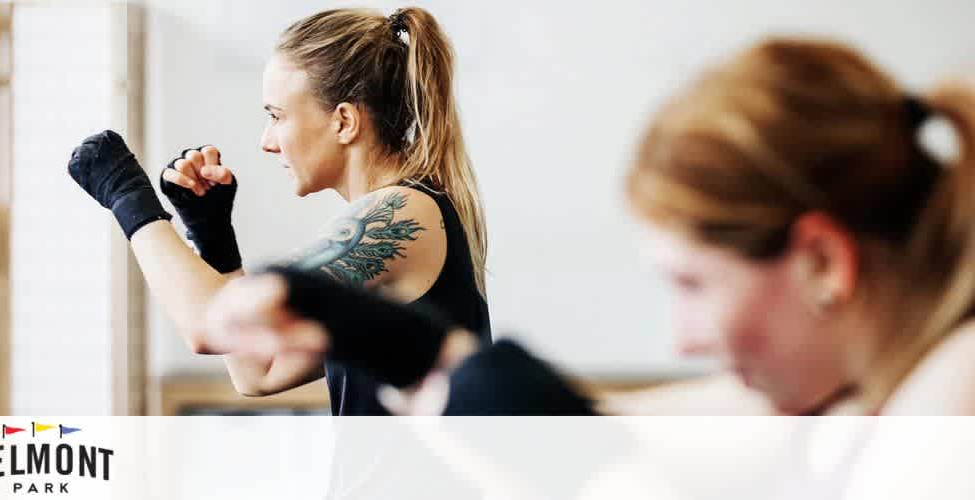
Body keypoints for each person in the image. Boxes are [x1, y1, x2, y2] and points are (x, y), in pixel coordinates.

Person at [193, 37, 975, 417]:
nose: (683, 338)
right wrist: (422, 353)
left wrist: (133, 205)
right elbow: (629, 424)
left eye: (695, 285)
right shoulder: (866, 384)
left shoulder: (948, 406)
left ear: (823, 263)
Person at [66, 6, 491, 416]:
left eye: (277, 116)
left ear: (344, 122)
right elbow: (258, 373)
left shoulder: (402, 212)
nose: (267, 141)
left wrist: (125, 193)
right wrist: (214, 238)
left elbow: (207, 325)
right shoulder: (407, 210)